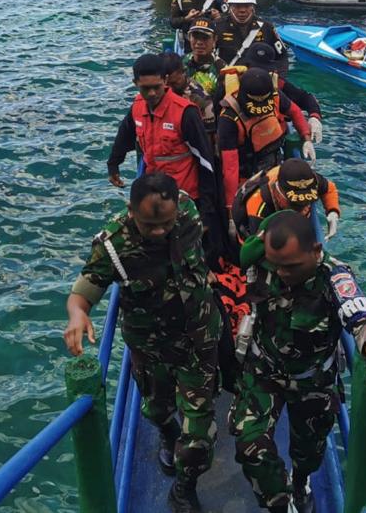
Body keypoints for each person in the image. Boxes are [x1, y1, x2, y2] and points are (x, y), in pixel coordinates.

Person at [231, 211, 366, 513]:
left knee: (309, 453)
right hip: (263, 372)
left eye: (291, 266)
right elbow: (245, 249)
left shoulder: (334, 277)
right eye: (276, 266)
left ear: (316, 251)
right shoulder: (265, 261)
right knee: (251, 446)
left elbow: (365, 323)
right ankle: (279, 503)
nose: (282, 274)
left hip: (312, 381)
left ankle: (300, 481)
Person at [65, 173, 221, 513]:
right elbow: (84, 291)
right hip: (152, 348)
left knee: (199, 439)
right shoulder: (113, 245)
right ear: (131, 211)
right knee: (158, 410)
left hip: (198, 338)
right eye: (150, 225)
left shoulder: (187, 211)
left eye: (165, 223)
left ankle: (183, 489)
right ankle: (167, 432)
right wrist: (78, 315)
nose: (160, 232)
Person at [107, 54, 222, 263]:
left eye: (156, 87)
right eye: (145, 88)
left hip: (185, 195)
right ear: (135, 84)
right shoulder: (138, 107)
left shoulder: (184, 113)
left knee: (191, 251)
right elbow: (126, 133)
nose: (151, 93)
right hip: (154, 191)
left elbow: (205, 162)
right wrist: (114, 163)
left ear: (165, 81)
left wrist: (206, 211)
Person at [217, 67, 314, 213]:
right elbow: (230, 167)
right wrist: (231, 208)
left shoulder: (275, 95)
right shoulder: (229, 119)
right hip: (248, 175)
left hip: (275, 163)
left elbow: (295, 111)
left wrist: (306, 138)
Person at [231, 158, 341, 243]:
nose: (303, 209)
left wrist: (333, 212)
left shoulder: (309, 179)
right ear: (278, 193)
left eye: (307, 201)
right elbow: (258, 249)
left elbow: (329, 188)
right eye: (295, 204)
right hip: (250, 230)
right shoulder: (258, 206)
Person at [241, 41, 324, 145]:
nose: (259, 75)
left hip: (274, 137)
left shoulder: (278, 85)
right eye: (254, 68)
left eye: (264, 70)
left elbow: (305, 99)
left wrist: (314, 117)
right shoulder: (231, 87)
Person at [214, 0, 288, 68]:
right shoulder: (217, 26)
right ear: (230, 7)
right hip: (226, 77)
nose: (242, 10)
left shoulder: (266, 28)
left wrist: (278, 78)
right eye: (237, 6)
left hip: (257, 78)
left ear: (253, 7)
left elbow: (282, 57)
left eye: (246, 6)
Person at [183, 19, 226, 137]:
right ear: (189, 38)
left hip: (211, 128)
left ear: (215, 39)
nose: (199, 43)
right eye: (195, 37)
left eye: (205, 38)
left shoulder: (222, 70)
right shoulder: (180, 64)